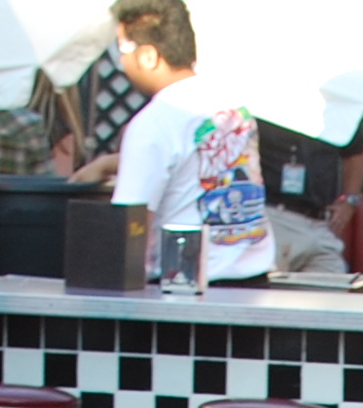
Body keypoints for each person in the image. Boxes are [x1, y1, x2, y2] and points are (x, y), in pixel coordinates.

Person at [106, 0, 271, 285]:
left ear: (148, 55)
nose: (121, 62)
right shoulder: (234, 105)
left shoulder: (153, 122)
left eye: (122, 49)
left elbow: (131, 223)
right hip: (252, 280)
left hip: (183, 287)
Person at [256, 111, 363, 276]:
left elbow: (356, 151)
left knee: (331, 285)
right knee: (273, 287)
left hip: (322, 221)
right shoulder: (262, 108)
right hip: (277, 215)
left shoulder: (335, 109)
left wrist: (350, 200)